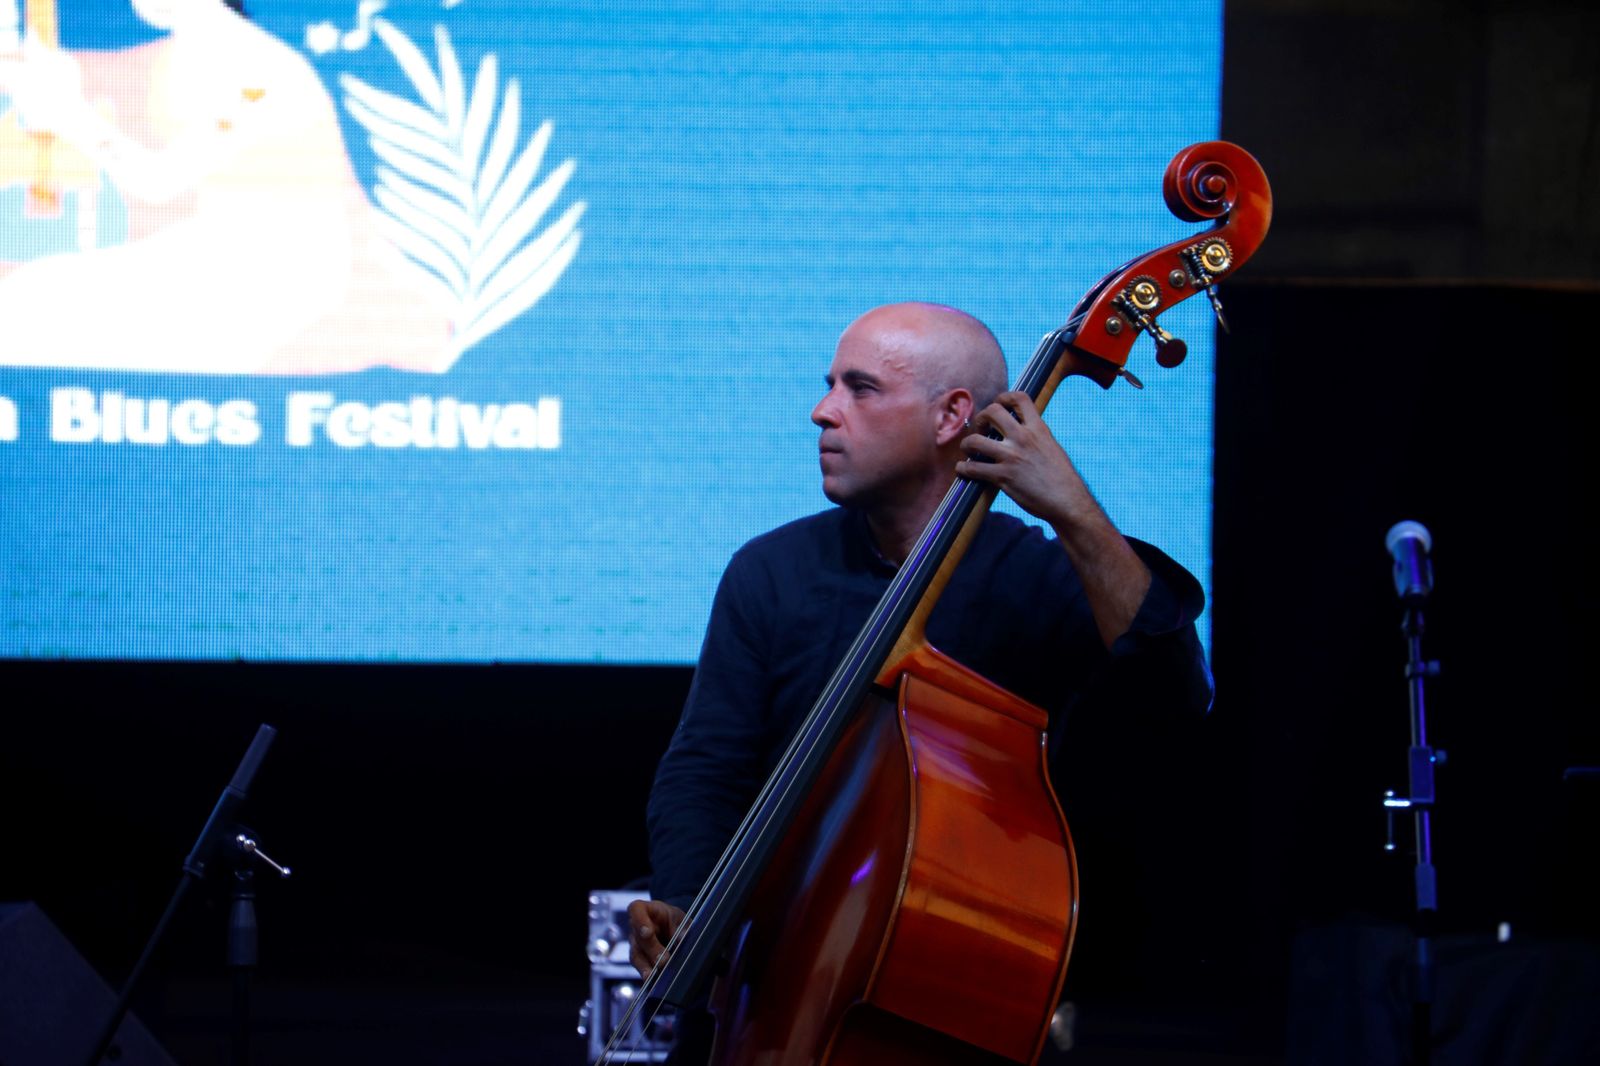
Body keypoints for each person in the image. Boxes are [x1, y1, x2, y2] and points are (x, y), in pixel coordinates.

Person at [627, 302, 1212, 1048]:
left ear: (951, 417)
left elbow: (1176, 697)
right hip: (773, 987)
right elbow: (706, 766)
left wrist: (1074, 513)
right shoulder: (770, 571)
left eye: (859, 388)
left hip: (948, 998)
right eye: (829, 385)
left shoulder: (1036, 573)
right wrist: (685, 900)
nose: (822, 411)